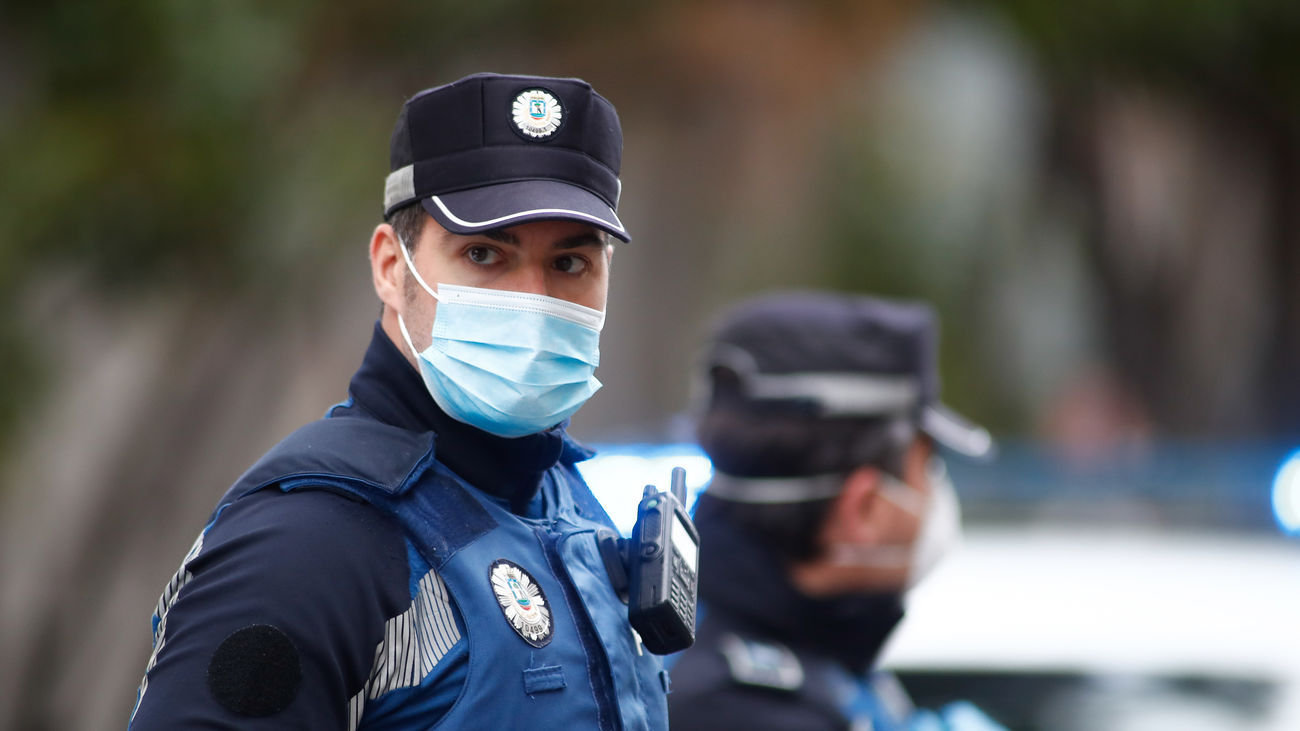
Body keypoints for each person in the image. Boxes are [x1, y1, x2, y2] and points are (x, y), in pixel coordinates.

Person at [128, 73, 669, 730]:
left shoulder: (564, 497)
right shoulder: (310, 545)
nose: (534, 298)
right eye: (483, 253)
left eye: (570, 264)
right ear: (391, 265)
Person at [667, 292, 1004, 731]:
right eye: (928, 466)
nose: (937, 493)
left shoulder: (821, 650)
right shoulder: (742, 708)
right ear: (863, 507)